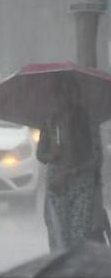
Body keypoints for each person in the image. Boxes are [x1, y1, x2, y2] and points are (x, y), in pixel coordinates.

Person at [38, 77, 109, 251]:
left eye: (70, 92)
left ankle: (74, 274)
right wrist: (51, 154)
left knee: (77, 238)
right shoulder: (50, 122)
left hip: (81, 188)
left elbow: (96, 157)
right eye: (61, 93)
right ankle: (61, 274)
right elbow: (41, 154)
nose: (65, 98)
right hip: (57, 189)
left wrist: (71, 172)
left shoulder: (87, 120)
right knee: (58, 239)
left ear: (77, 95)